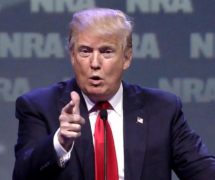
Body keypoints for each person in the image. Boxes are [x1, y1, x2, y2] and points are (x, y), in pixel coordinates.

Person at [13, 8, 215, 180]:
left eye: (106, 51)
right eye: (85, 51)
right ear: (72, 56)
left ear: (127, 58)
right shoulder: (39, 106)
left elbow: (203, 171)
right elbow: (22, 175)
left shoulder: (163, 109)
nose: (94, 63)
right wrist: (60, 143)